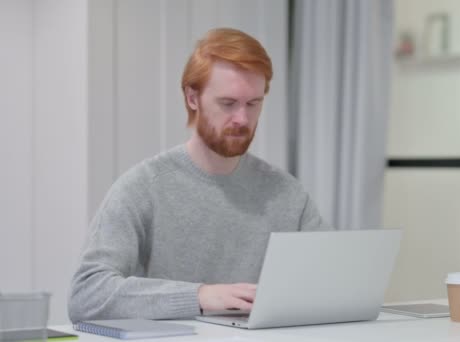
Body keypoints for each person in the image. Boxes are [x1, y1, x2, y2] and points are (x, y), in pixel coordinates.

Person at [68, 27, 330, 322]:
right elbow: (87, 296)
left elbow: (332, 283)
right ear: (192, 98)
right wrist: (199, 296)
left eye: (253, 104)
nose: (242, 119)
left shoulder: (288, 195)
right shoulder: (143, 187)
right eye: (228, 103)